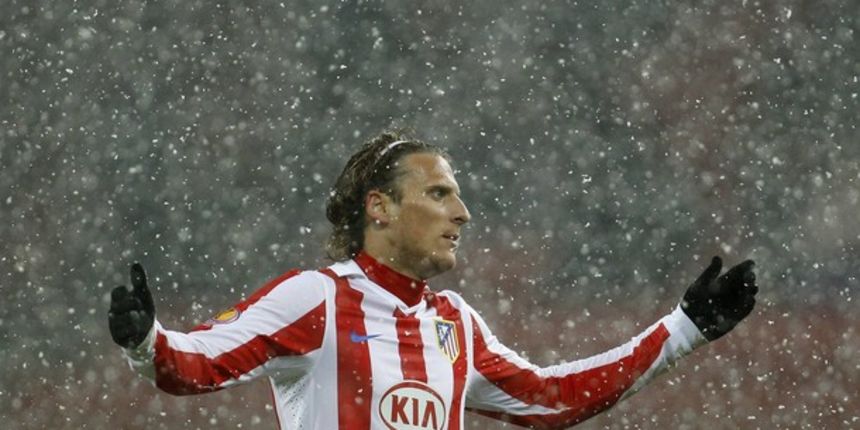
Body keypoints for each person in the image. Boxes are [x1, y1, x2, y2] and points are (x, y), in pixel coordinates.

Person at [109, 130, 759, 429]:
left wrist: (685, 329)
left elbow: (553, 397)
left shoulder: (454, 324)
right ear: (380, 209)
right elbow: (191, 367)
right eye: (440, 194)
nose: (462, 213)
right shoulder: (317, 300)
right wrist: (146, 340)